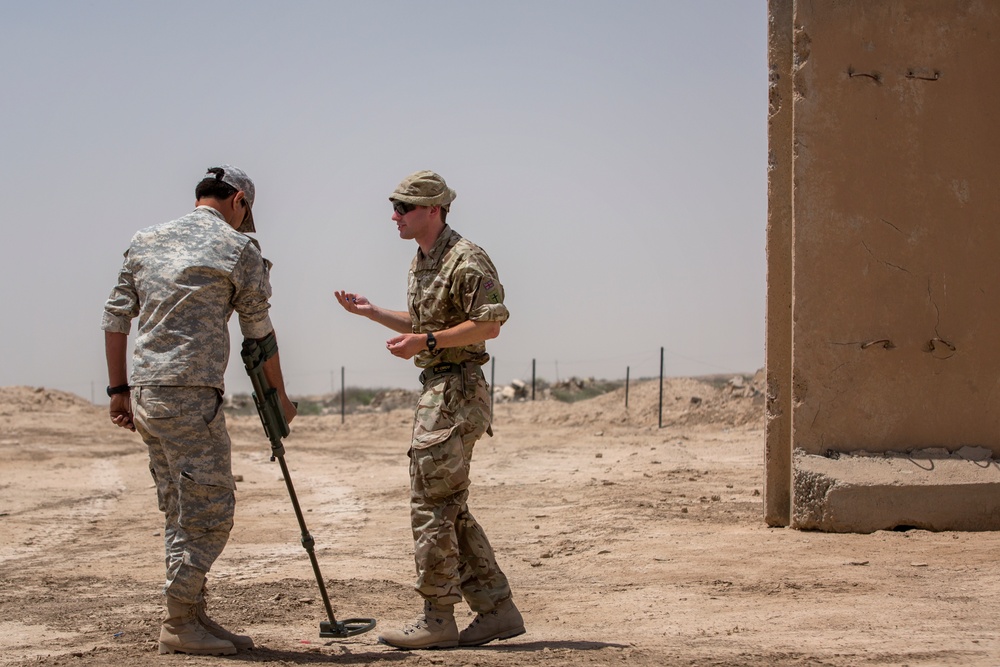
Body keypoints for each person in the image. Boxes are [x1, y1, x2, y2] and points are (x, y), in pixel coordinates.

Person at [102, 165, 296, 656]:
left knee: (178, 510)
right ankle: (177, 618)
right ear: (239, 202)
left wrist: (118, 390)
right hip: (191, 396)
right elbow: (259, 334)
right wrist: (282, 400)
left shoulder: (145, 239)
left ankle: (192, 617)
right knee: (211, 514)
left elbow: (115, 315)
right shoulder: (238, 249)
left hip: (145, 393)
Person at [334, 170, 524, 650]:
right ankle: (496, 610)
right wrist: (373, 311)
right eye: (394, 207)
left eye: (404, 208)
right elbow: (422, 322)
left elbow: (488, 326)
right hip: (439, 390)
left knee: (432, 506)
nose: (394, 216)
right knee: (448, 506)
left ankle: (438, 617)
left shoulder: (466, 258)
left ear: (433, 209)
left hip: (457, 392)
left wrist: (429, 341)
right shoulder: (423, 260)